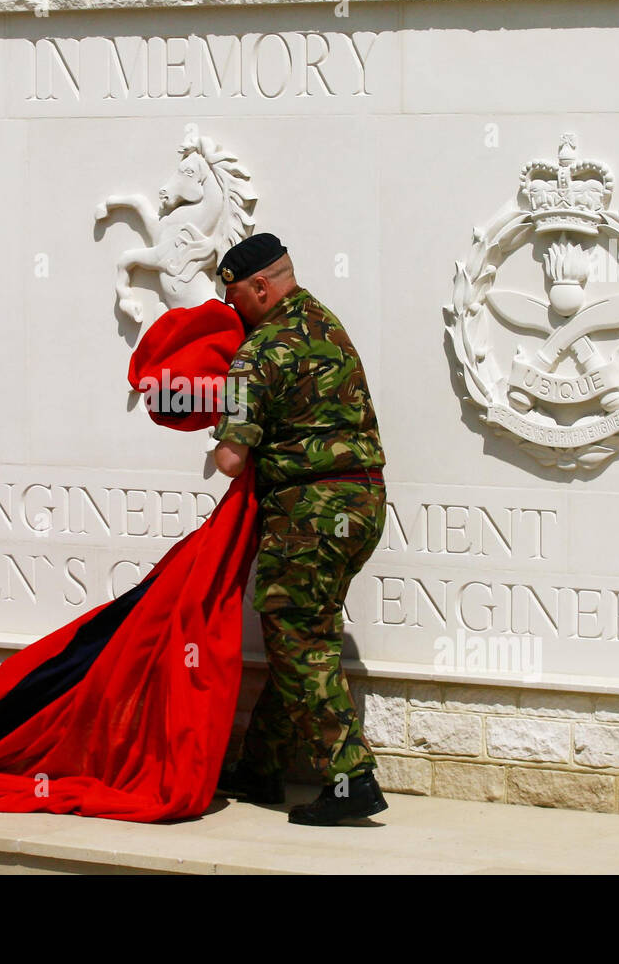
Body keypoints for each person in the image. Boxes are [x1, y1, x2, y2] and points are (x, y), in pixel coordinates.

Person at [210, 232, 389, 826]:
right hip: (362, 504)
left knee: (297, 638)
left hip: (308, 514)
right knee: (301, 636)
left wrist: (217, 419)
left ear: (260, 287)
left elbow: (232, 460)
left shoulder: (258, 353)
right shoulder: (326, 323)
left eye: (235, 296)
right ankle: (261, 765)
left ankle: (350, 779)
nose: (232, 308)